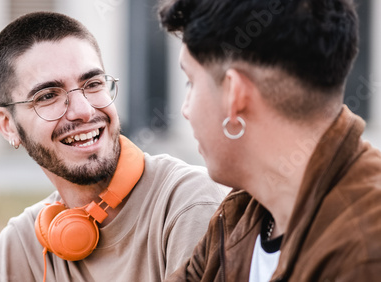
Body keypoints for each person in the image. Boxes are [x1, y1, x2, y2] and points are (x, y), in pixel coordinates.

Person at [0, 11, 228, 282]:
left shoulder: (189, 205)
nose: (83, 110)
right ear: (7, 125)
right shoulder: (25, 242)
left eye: (92, 84)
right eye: (48, 96)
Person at [159, 0, 381, 281]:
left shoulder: (366, 247)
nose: (185, 109)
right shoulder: (238, 214)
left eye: (191, 82)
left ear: (234, 95)